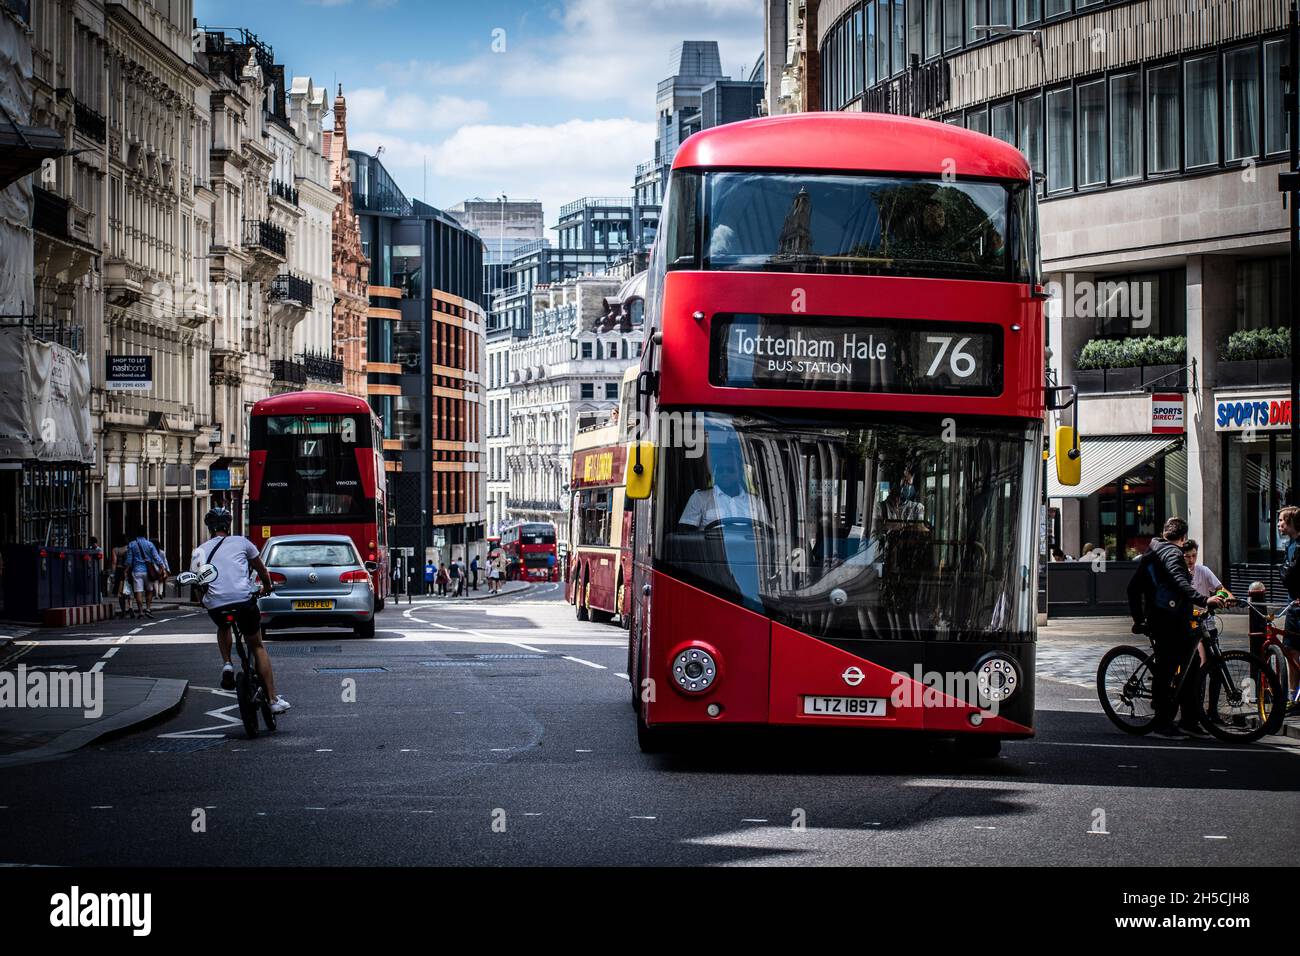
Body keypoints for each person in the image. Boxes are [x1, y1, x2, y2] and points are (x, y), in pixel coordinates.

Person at [1127, 517, 1223, 738]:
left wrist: (1138, 620)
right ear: (1183, 538)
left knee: (1191, 663)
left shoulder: (1152, 552)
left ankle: (1188, 720)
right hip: (1170, 621)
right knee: (1169, 667)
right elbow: (1180, 582)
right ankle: (1164, 722)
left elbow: (1133, 588)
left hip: (1162, 619)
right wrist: (1203, 600)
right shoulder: (1172, 553)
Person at [194, 507, 288, 714]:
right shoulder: (242, 542)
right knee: (257, 646)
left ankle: (227, 664)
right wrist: (268, 586)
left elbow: (198, 581)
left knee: (223, 624)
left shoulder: (199, 550)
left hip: (217, 604)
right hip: (243, 601)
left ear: (208, 528)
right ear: (228, 525)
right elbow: (261, 568)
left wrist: (205, 601)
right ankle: (272, 700)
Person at [677, 455, 767, 528]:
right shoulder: (700, 498)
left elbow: (769, 534)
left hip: (752, 550)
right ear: (715, 473)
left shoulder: (756, 501)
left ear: (740, 473)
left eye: (730, 470)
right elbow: (686, 535)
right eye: (720, 470)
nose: (725, 474)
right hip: (713, 549)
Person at [1277, 505, 1300, 711]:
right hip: (1292, 605)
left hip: (1297, 605)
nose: (1279, 524)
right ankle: (1294, 697)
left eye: (1282, 521)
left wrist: (1284, 572)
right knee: (1290, 650)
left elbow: (1288, 576)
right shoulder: (1290, 544)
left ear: (1292, 522)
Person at [124, 526, 164, 619]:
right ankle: (148, 609)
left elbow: (129, 561)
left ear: (136, 534)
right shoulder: (150, 544)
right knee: (149, 590)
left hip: (136, 571)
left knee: (138, 591)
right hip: (149, 571)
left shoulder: (132, 544)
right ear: (145, 533)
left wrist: (125, 570)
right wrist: (162, 567)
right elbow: (156, 557)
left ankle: (141, 611)